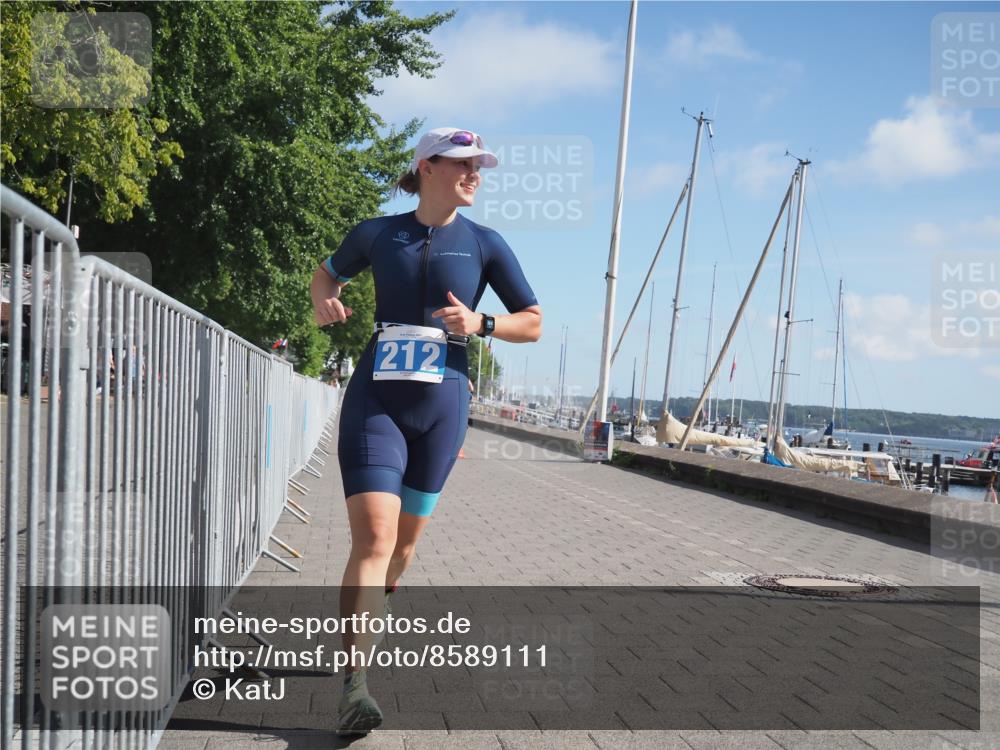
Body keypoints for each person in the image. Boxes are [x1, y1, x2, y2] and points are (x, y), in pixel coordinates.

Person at [310, 127, 541, 734]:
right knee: (374, 537)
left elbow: (534, 322)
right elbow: (326, 273)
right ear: (428, 166)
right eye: (464, 164)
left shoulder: (486, 244)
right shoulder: (378, 232)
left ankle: (366, 626)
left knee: (402, 551)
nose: (476, 175)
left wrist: (482, 322)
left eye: (479, 166)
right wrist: (322, 300)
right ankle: (354, 686)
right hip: (377, 401)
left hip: (442, 410)